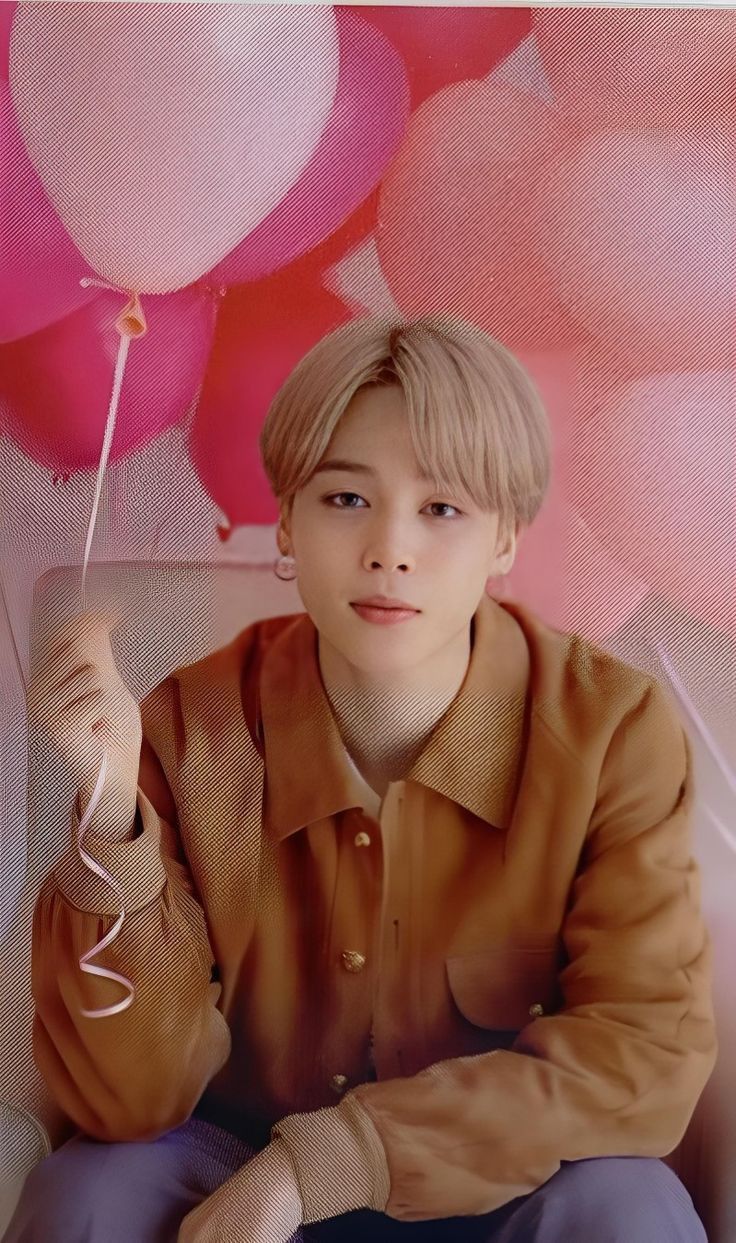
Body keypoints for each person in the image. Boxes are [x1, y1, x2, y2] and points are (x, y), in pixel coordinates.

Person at [5, 315, 716, 1242]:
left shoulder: (612, 730)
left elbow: (641, 1049)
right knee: (91, 1193)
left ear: (505, 537)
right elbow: (129, 1099)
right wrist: (109, 813)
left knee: (631, 1211)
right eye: (345, 499)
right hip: (229, 1174)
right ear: (289, 522)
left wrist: (335, 1164)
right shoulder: (184, 726)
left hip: (503, 1182)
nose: (390, 548)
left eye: (443, 509)